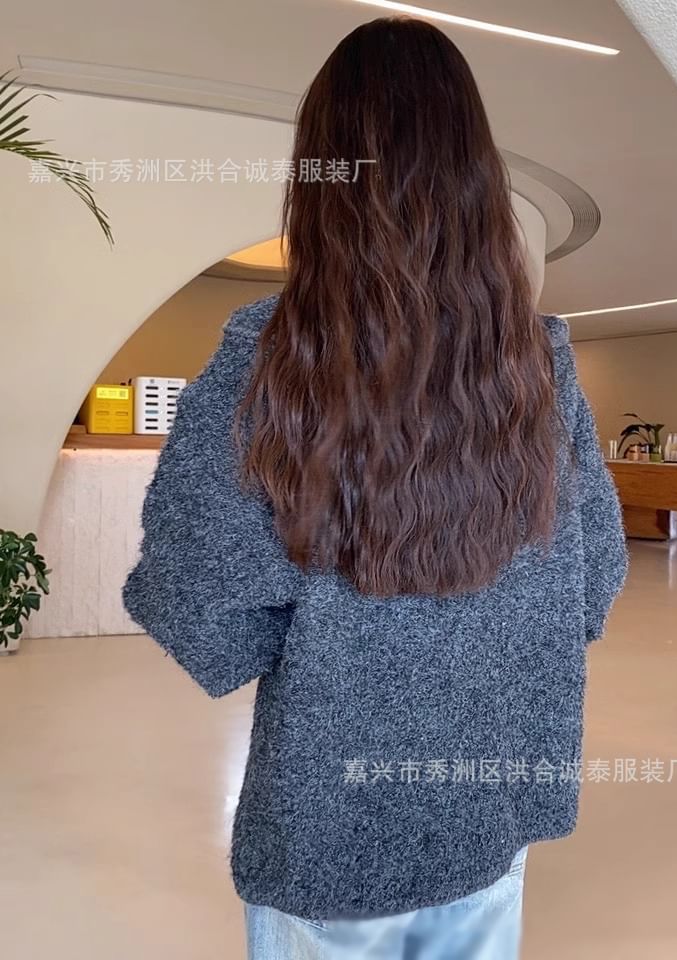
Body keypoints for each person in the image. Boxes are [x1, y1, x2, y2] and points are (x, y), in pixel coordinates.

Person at [123, 16, 628, 960]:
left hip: (331, 825)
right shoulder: (537, 362)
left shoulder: (274, 354)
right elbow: (592, 580)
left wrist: (330, 633)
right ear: (476, 174)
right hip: (486, 810)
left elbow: (200, 601)